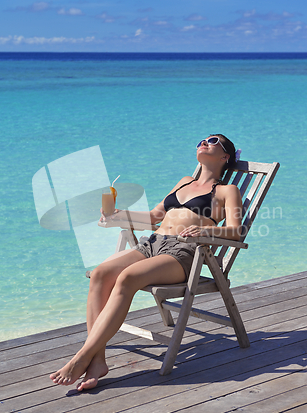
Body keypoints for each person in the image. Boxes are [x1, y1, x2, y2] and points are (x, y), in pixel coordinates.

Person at [50, 134, 243, 390]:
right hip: (151, 243)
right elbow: (154, 216)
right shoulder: (185, 182)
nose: (203, 142)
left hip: (182, 253)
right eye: (201, 140)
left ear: (225, 156)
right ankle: (97, 360)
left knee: (127, 278)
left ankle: (80, 358)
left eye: (213, 140)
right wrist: (118, 215)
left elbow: (236, 231)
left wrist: (208, 232)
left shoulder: (227, 191)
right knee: (99, 273)